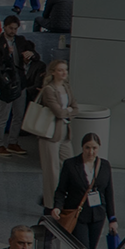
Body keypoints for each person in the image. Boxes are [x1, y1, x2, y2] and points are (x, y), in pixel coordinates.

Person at [52, 133, 118, 249]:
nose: (91, 151)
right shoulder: (70, 165)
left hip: (97, 216)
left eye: (94, 148)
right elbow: (61, 190)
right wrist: (57, 206)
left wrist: (112, 218)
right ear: (82, 148)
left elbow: (108, 193)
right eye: (87, 148)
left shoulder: (104, 165)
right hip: (78, 215)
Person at [36, 60, 78, 213]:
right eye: (60, 70)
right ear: (53, 72)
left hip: (64, 133)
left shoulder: (66, 87)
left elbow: (76, 108)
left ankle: (62, 199)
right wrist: (68, 111)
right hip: (50, 134)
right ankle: (50, 205)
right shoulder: (49, 89)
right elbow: (58, 112)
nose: (64, 73)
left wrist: (66, 111)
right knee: (51, 171)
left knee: (69, 165)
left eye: (65, 70)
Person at [0, 16, 34, 155]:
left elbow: (34, 53)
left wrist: (30, 54)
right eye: (11, 28)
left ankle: (13, 142)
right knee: (3, 115)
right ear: (5, 27)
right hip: (4, 83)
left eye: (15, 29)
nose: (13, 31)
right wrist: (7, 55)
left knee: (19, 114)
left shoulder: (21, 41)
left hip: (19, 81)